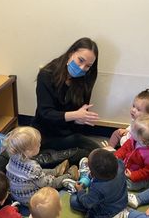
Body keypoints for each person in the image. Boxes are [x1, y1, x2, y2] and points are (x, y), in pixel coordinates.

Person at [32, 37, 101, 166]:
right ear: (71, 53)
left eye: (88, 66)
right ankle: (45, 159)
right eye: (80, 60)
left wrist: (79, 119)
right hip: (44, 133)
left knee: (93, 152)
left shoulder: (85, 79)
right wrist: (75, 115)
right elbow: (45, 113)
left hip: (68, 134)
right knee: (21, 145)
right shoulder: (46, 75)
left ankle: (48, 159)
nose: (82, 68)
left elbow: (79, 116)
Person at [5, 126, 79, 206]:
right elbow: (46, 183)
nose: (40, 144)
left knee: (40, 172)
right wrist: (51, 178)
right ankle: (69, 176)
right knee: (52, 183)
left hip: (17, 195)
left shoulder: (12, 159)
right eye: (38, 144)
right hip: (32, 200)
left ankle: (56, 171)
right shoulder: (32, 167)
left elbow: (33, 175)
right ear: (28, 151)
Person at [69, 148, 128, 218]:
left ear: (93, 174)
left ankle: (111, 216)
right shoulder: (120, 164)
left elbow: (87, 203)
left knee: (73, 200)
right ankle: (86, 176)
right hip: (122, 201)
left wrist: (80, 191)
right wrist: (91, 175)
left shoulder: (98, 188)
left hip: (104, 212)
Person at [114, 113, 149, 192]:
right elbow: (124, 149)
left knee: (130, 185)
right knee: (111, 165)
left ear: (143, 140)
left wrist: (133, 175)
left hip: (141, 176)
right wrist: (117, 156)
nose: (130, 132)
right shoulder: (133, 140)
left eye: (133, 131)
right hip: (127, 166)